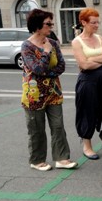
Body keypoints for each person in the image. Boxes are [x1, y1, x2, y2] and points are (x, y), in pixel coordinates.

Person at [21, 9, 77, 171]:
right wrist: (45, 53)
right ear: (37, 26)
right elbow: (36, 68)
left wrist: (47, 73)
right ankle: (37, 160)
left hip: (53, 92)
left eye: (51, 24)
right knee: (36, 129)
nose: (51, 27)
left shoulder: (52, 43)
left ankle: (61, 158)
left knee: (58, 126)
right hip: (34, 94)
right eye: (48, 24)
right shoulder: (27, 46)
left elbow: (61, 66)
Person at [72, 7, 102, 160]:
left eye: (98, 22)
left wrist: (92, 60)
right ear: (83, 22)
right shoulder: (77, 42)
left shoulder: (99, 38)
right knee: (87, 112)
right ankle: (87, 146)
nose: (97, 25)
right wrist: (100, 59)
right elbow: (84, 66)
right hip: (87, 82)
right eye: (93, 23)